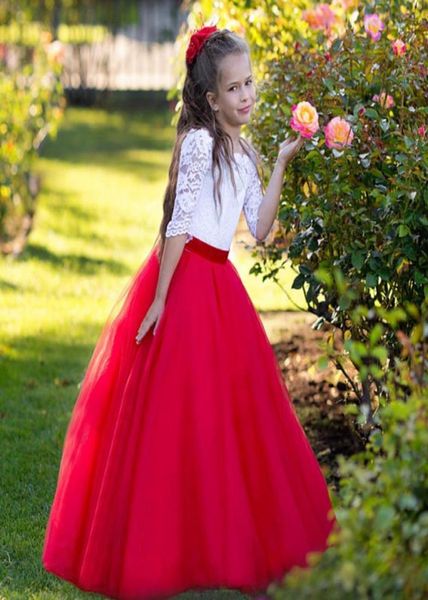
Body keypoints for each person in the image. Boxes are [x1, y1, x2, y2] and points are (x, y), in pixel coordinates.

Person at [42, 25, 337, 600]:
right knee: (173, 412)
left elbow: (258, 226)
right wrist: (159, 299)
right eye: (234, 89)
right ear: (210, 99)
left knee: (232, 411)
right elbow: (180, 221)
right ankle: (163, 543)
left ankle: (227, 539)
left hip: (222, 285)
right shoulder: (201, 143)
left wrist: (278, 163)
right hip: (186, 281)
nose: (246, 96)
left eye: (250, 84)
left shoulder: (245, 150)